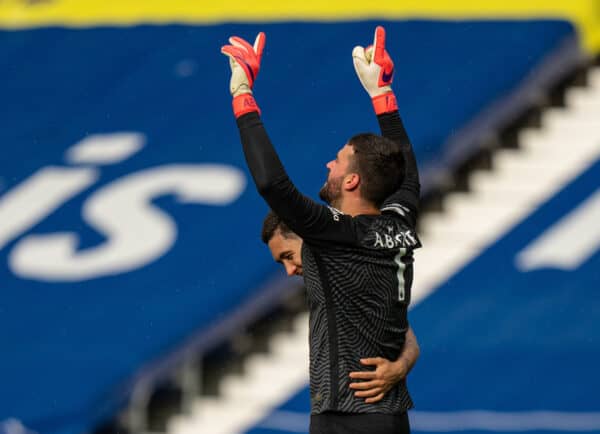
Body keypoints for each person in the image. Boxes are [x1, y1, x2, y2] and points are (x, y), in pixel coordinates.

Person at [222, 26, 421, 434]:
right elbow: (407, 176)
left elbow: (272, 185)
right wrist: (384, 99)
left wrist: (243, 97)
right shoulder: (398, 222)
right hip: (387, 417)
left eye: (337, 161)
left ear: (352, 182)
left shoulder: (341, 235)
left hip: (347, 418)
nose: (329, 165)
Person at [261, 211, 420, 405]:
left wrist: (399, 368)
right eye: (281, 262)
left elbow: (406, 334)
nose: (289, 270)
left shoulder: (354, 270)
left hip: (368, 414)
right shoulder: (323, 285)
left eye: (289, 256)